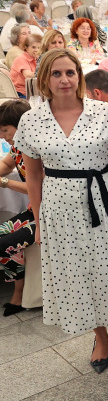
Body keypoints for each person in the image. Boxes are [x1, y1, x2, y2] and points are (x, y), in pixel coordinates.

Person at [16, 49, 108, 372]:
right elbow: (34, 174)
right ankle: (100, 337)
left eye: (70, 72)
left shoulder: (102, 112)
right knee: (78, 272)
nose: (65, 79)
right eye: (57, 73)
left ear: (79, 76)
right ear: (45, 79)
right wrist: (37, 218)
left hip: (104, 200)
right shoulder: (31, 119)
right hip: (60, 208)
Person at [0, 100, 37, 317]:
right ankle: (19, 291)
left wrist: (4, 183)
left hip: (48, 215)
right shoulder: (17, 146)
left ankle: (19, 292)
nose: (3, 136)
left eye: (5, 130)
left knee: (4, 243)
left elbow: (37, 189)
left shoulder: (37, 149)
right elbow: (6, 165)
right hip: (33, 212)